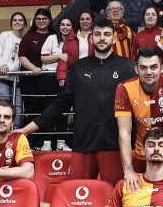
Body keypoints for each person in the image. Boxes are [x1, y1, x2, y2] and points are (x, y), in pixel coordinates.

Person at [17, 17, 136, 186]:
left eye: (107, 34)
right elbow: (60, 104)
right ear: (91, 38)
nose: (102, 38)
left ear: (114, 38)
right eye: (98, 34)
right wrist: (27, 129)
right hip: (83, 143)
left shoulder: (128, 67)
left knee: (114, 195)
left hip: (114, 145)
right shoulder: (78, 68)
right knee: (78, 194)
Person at [116, 47, 163, 191]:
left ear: (162, 68)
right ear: (136, 69)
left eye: (153, 67)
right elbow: (124, 133)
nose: (148, 72)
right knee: (138, 198)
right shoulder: (124, 88)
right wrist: (128, 171)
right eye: (143, 67)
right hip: (142, 155)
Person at [18, 9, 54, 149]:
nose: (41, 21)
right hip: (30, 80)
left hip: (49, 79)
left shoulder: (54, 35)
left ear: (49, 20)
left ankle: (47, 142)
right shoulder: (28, 36)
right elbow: (22, 56)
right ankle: (33, 142)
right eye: (38, 18)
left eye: (44, 18)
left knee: (48, 110)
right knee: (32, 110)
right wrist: (33, 68)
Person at [40, 16, 74, 150]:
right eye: (62, 25)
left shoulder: (74, 41)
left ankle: (61, 142)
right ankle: (46, 142)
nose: (65, 27)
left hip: (67, 78)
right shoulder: (52, 38)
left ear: (72, 27)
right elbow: (43, 58)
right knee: (48, 110)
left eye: (68, 25)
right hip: (49, 77)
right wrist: (59, 56)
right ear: (59, 27)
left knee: (63, 111)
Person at [0, 12, 27, 125]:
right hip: (1, 77)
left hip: (17, 80)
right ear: (11, 23)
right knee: (1, 107)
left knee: (18, 109)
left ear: (25, 24)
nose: (17, 22)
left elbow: (20, 61)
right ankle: (0, 132)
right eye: (15, 20)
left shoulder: (26, 39)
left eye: (20, 20)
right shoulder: (4, 35)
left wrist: (9, 69)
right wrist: (2, 65)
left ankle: (15, 133)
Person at [57, 10, 94, 85]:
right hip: (75, 74)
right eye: (82, 19)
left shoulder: (97, 36)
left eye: (87, 19)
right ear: (79, 21)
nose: (84, 21)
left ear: (92, 21)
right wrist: (62, 77)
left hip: (93, 74)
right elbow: (64, 58)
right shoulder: (71, 37)